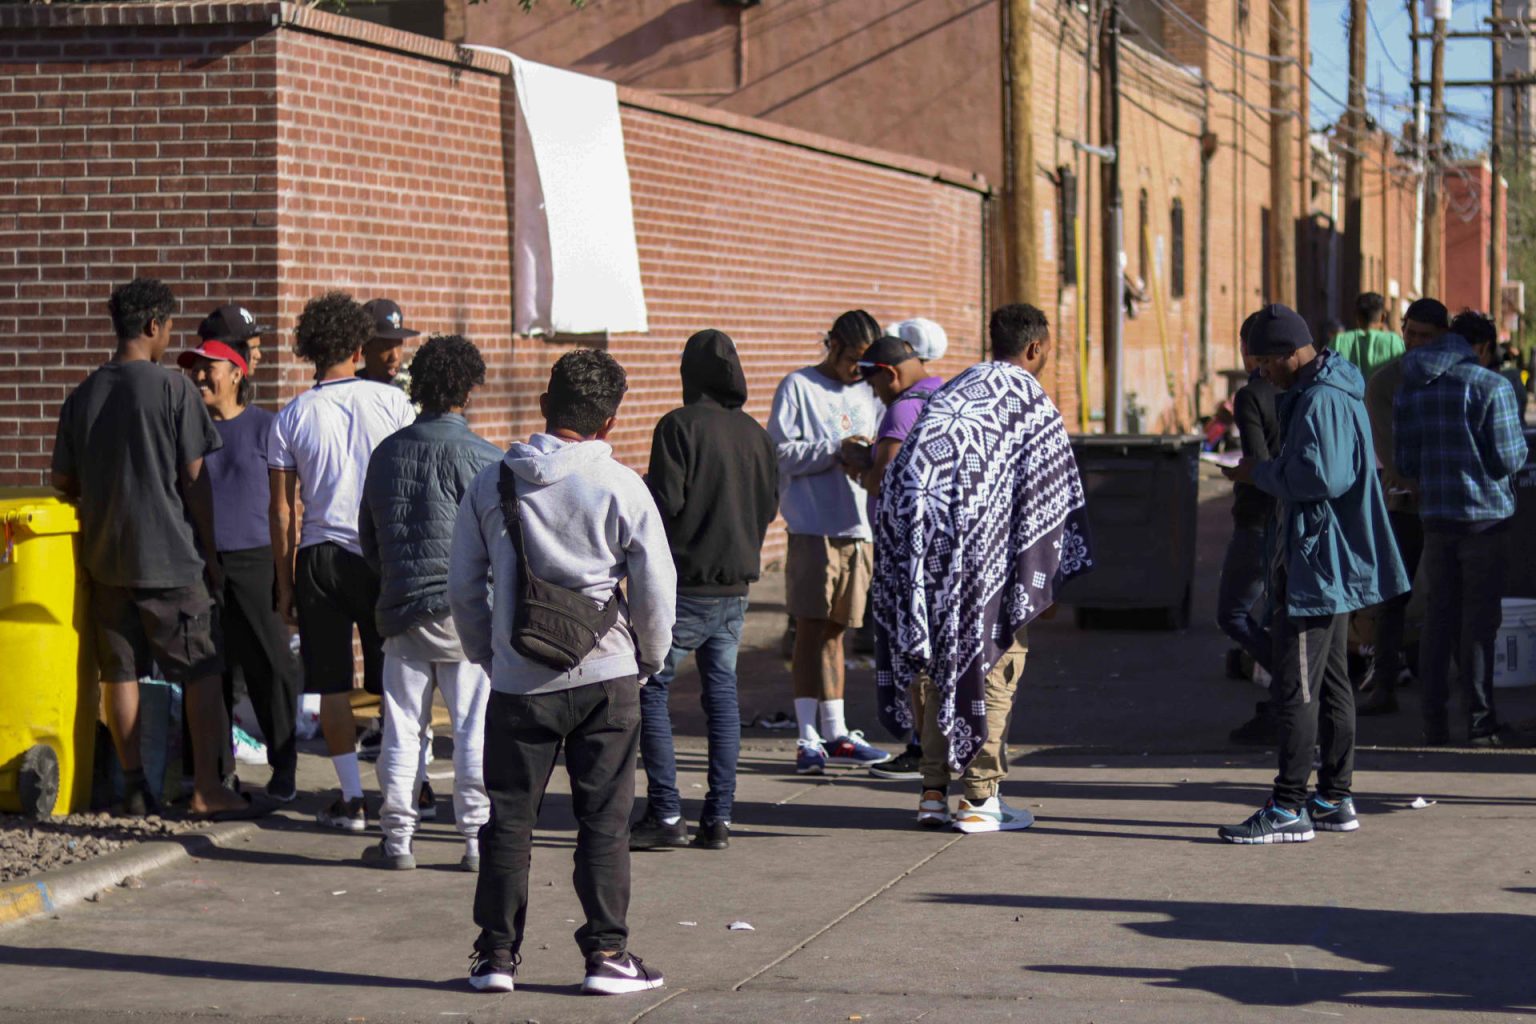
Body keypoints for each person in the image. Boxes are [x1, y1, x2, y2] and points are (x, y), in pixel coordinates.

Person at [449, 349, 676, 996]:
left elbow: (464, 588)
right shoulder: (622, 486)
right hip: (607, 675)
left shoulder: (493, 483)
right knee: (603, 820)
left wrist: (490, 656)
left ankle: (494, 957)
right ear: (609, 422)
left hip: (520, 682)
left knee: (509, 822)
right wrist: (649, 660)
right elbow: (656, 587)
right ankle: (606, 954)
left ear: (544, 406)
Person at [872, 303, 1092, 832]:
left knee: (935, 666)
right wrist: (1044, 578)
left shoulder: (953, 392)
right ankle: (978, 799)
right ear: (1036, 348)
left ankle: (931, 793)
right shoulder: (1026, 401)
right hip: (984, 561)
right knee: (991, 665)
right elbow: (1048, 497)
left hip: (921, 554)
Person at [50, 278, 250, 820]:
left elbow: (63, 482)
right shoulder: (172, 390)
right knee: (202, 669)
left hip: (105, 558)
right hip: (169, 559)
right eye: (168, 328)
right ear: (152, 326)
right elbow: (195, 478)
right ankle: (208, 788)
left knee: (119, 672)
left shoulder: (83, 394)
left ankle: (134, 786)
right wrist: (209, 553)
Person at [1220, 304, 1408, 844]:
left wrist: (1260, 472)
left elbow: (1319, 477)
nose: (1261, 374)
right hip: (1327, 560)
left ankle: (1289, 805)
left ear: (1288, 353)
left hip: (1316, 565)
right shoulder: (1327, 390)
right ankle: (1334, 797)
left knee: (1296, 687)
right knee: (1330, 684)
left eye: (1263, 362)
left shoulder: (1321, 398)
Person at [269, 292, 416, 832]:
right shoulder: (395, 405)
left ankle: (352, 799)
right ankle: (409, 786)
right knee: (395, 679)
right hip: (381, 554)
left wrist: (282, 585)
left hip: (319, 556)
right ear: (359, 346)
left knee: (331, 683)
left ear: (309, 348)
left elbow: (282, 512)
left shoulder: (291, 415)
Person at [629, 330, 778, 852]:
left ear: (688, 374)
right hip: (736, 589)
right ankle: (718, 818)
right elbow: (768, 509)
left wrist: (637, 487)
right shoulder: (757, 436)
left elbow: (664, 502)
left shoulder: (677, 427)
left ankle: (667, 812)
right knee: (722, 696)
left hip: (686, 586)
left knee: (649, 688)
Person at [359, 335, 500, 871]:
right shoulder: (487, 460)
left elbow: (368, 538)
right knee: (472, 726)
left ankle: (397, 840)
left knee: (402, 727)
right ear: (468, 388)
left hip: (402, 607)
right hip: (466, 613)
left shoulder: (386, 453)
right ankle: (474, 840)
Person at [177, 324, 301, 803]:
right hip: (200, 562)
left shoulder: (266, 427)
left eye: (208, 367)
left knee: (272, 667)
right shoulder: (187, 430)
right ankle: (215, 774)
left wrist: (285, 568)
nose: (200, 376)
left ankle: (284, 767)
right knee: (212, 671)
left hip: (256, 561)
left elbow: (290, 502)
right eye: (195, 368)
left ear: (236, 373)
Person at [1396, 309, 1529, 747]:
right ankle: (1479, 721)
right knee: (1478, 625)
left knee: (1438, 619)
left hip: (1435, 517)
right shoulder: (1493, 386)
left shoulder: (1414, 385)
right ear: (1484, 348)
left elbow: (1406, 463)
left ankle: (1433, 723)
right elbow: (1511, 459)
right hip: (1485, 520)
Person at [768, 310, 891, 775]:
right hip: (813, 526)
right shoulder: (798, 386)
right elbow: (778, 451)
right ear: (833, 344)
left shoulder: (869, 390)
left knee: (840, 630)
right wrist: (835, 449)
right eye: (853, 359)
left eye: (867, 362)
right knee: (809, 629)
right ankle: (807, 737)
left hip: (860, 527)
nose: (858, 370)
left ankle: (837, 732)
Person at [850, 334, 946, 781]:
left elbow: (881, 478)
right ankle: (937, 743)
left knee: (909, 648)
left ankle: (917, 746)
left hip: (903, 551)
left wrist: (855, 459)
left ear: (889, 373)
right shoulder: (946, 393)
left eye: (873, 384)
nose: (874, 393)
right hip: (940, 545)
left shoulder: (904, 408)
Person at [1357, 297, 1449, 716]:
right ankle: (1385, 682)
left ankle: (1447, 689)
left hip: (1450, 506)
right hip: (1405, 505)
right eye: (1409, 332)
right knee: (1393, 595)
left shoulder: (1455, 378)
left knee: (1447, 596)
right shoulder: (1385, 383)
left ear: (1443, 338)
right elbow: (1388, 454)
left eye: (1425, 336)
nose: (1414, 342)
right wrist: (1415, 484)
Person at [1219, 314, 1282, 746]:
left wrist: (1238, 473)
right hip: (1297, 518)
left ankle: (1290, 687)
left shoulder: (1251, 396)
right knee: (1280, 614)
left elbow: (1257, 464)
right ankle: (1289, 697)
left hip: (1259, 519)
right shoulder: (1303, 390)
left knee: (1234, 613)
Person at [1332, 292, 1405, 385]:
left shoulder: (1338, 341)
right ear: (1383, 317)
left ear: (1357, 317)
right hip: (1384, 399)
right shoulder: (1394, 341)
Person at [358, 298, 420, 387]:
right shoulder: (350, 393)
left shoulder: (412, 388)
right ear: (364, 347)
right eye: (386, 347)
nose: (395, 356)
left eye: (399, 344)